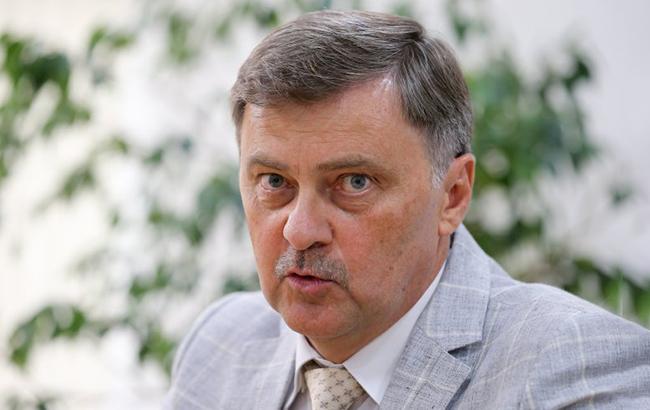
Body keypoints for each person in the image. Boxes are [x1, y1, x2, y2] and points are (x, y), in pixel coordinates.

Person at [165, 10, 650, 410]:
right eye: (274, 182)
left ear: (453, 195)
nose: (300, 230)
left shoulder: (573, 367)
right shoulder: (220, 345)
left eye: (354, 183)